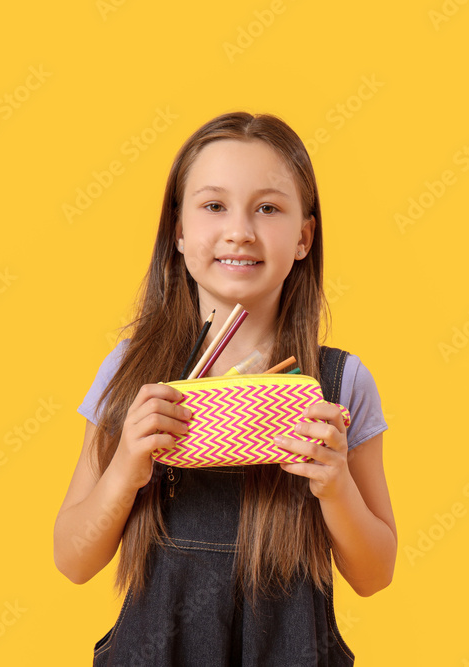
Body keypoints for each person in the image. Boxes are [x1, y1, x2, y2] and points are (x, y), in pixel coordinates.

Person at [53, 111, 397, 665]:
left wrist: (336, 488)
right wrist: (125, 468)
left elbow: (375, 574)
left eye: (268, 207)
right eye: (214, 206)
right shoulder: (129, 371)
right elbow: (72, 560)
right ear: (180, 233)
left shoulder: (340, 384)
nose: (240, 229)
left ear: (304, 237)